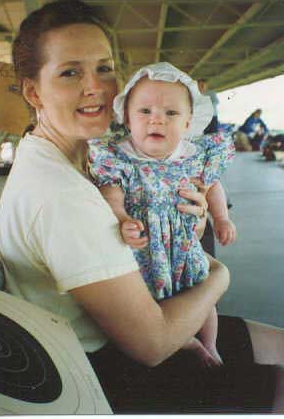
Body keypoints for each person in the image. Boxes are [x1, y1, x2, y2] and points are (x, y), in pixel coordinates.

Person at [0, 0, 284, 414]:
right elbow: (153, 344)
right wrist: (218, 274)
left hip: (138, 313)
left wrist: (188, 221)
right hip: (108, 371)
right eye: (71, 72)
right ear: (34, 91)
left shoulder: (82, 157)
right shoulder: (61, 194)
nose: (96, 87)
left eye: (104, 68)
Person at [88, 62, 237, 366]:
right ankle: (189, 344)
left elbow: (212, 187)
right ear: (127, 119)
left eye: (171, 113)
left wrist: (221, 218)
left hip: (184, 247)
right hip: (145, 251)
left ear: (187, 123)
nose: (157, 119)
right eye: (145, 112)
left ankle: (211, 344)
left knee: (202, 297)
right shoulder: (119, 159)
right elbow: (111, 193)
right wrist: (122, 218)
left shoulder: (194, 155)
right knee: (150, 304)